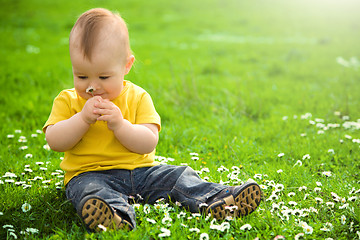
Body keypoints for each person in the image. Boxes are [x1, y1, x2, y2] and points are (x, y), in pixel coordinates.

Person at [43, 8, 262, 232]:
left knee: (178, 176)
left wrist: (120, 125)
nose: (92, 86)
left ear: (126, 66)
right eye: (81, 76)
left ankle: (220, 199)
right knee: (90, 190)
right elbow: (55, 141)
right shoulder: (68, 100)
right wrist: (82, 119)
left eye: (104, 77)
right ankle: (113, 216)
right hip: (90, 174)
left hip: (143, 173)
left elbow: (148, 142)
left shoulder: (138, 97)